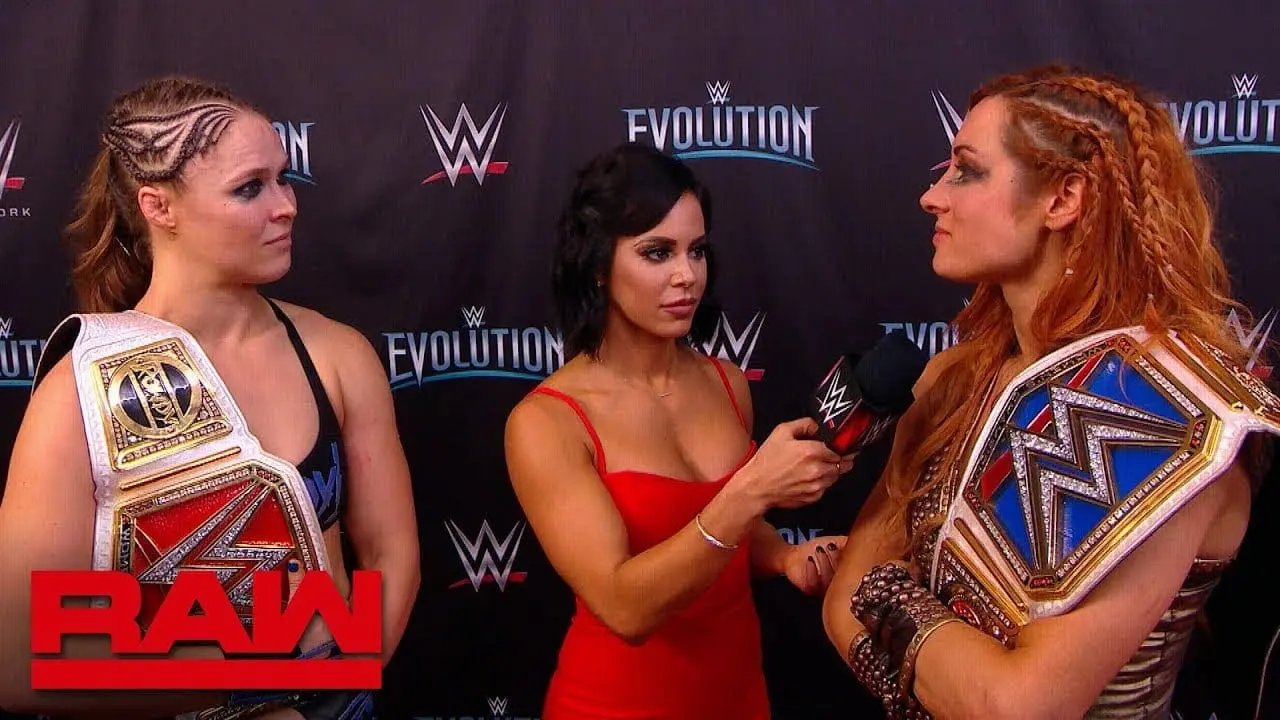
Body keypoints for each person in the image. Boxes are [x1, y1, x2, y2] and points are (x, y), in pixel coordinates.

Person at [821, 64, 1280, 719]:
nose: (932, 197)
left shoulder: (1167, 416)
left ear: (1064, 199)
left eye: (966, 170)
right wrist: (925, 650)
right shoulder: (954, 382)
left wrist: (889, 600)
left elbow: (1015, 707)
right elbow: (842, 605)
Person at [0, 75, 421, 719]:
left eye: (283, 179)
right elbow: (21, 659)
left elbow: (393, 555)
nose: (286, 205)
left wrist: (330, 693)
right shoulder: (78, 392)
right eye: (250, 187)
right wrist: (255, 693)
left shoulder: (338, 355)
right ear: (158, 207)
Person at [504, 142, 856, 720]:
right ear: (598, 265)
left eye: (697, 251)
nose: (686, 275)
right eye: (657, 252)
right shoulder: (547, 421)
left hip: (740, 700)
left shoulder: (727, 383)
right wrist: (752, 490)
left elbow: (733, 532)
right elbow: (624, 608)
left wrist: (786, 557)